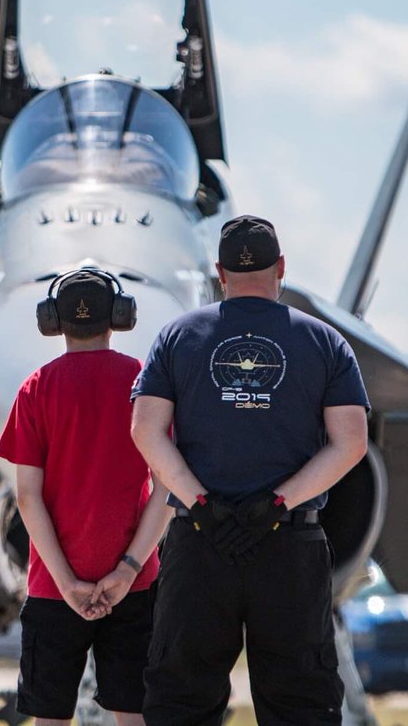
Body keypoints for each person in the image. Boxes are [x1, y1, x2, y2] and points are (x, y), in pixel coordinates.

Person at [130, 216, 371, 726]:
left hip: (199, 546)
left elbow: (146, 431)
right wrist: (275, 505)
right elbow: (350, 444)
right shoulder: (327, 343)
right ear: (281, 267)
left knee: (180, 701)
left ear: (219, 272)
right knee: (300, 703)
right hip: (289, 549)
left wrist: (202, 505)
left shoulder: (176, 336)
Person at [0, 268, 173, 726]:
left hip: (52, 586)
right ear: (119, 317)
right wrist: (128, 568)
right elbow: (167, 487)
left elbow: (28, 500)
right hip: (134, 585)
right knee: (134, 716)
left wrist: (66, 583)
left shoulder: (36, 389)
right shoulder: (144, 383)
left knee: (48, 718)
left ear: (51, 320)